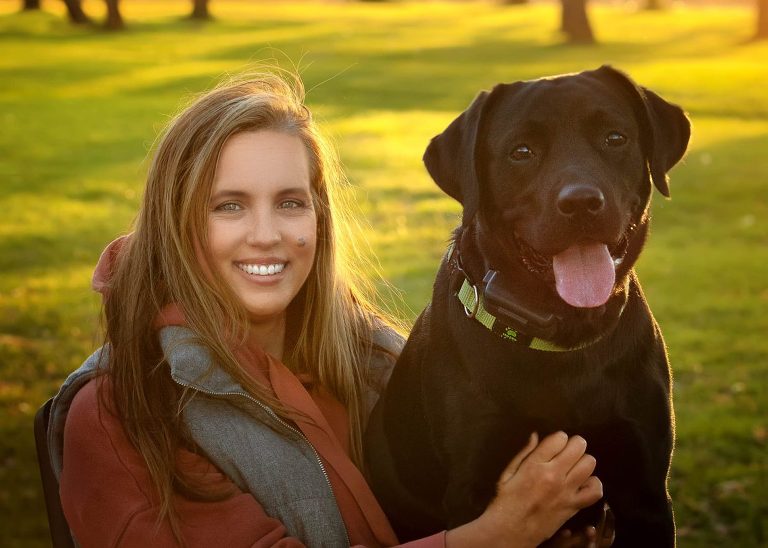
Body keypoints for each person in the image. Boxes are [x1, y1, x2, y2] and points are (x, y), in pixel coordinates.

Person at [46, 71, 612, 547]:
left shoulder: (376, 359)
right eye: (229, 206)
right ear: (176, 222)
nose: (266, 235)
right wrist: (497, 535)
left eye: (291, 202)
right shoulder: (121, 410)